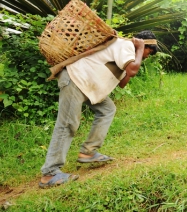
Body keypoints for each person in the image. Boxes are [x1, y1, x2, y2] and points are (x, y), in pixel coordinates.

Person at [39, 30, 158, 188]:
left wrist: (137, 57)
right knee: (68, 124)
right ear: (144, 45)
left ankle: (88, 152)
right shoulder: (126, 45)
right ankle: (50, 173)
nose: (148, 55)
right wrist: (140, 48)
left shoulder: (127, 55)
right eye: (150, 51)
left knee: (107, 109)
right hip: (76, 80)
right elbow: (133, 70)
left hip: (87, 86)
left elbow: (123, 82)